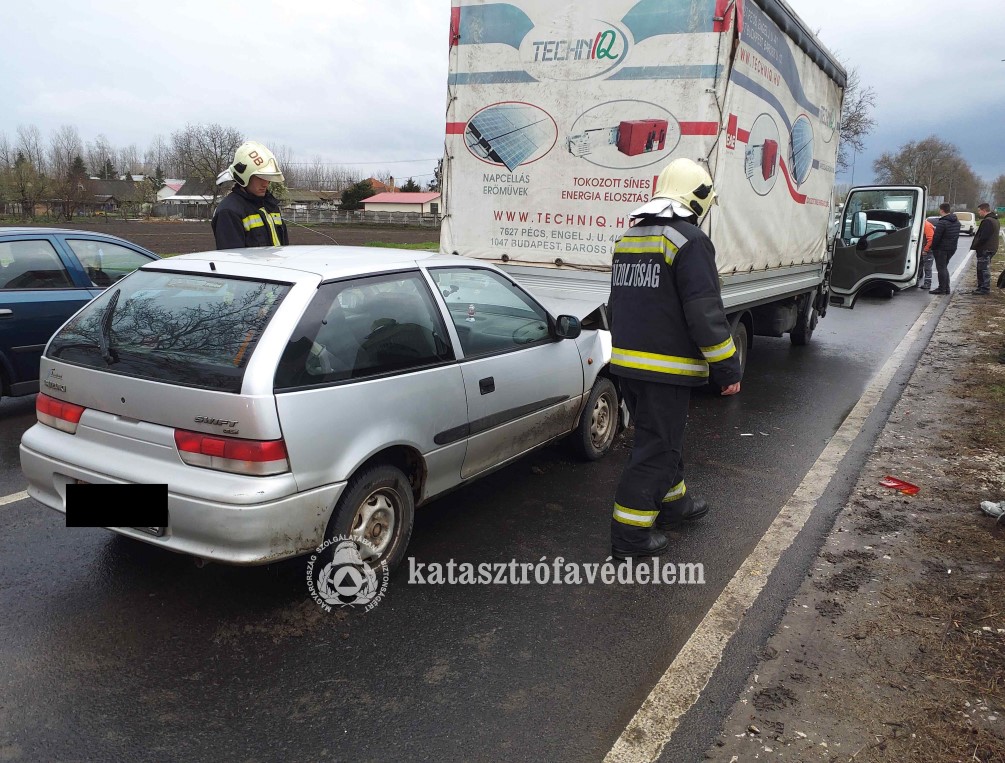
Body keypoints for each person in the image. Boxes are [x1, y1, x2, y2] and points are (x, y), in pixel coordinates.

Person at [608, 158, 742, 559]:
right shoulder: (690, 241)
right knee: (656, 450)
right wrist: (727, 368)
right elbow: (705, 311)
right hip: (666, 370)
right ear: (697, 198)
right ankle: (629, 538)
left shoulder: (630, 237)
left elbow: (617, 305)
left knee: (663, 441)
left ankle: (673, 506)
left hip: (629, 365)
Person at [211, 141, 289, 250]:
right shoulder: (229, 212)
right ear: (244, 177)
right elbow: (232, 260)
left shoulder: (270, 204)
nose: (266, 183)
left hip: (276, 267)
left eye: (267, 178)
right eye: (260, 177)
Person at [928, 202, 960, 295]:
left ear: (941, 210)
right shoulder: (956, 222)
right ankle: (946, 288)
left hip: (941, 249)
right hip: (952, 248)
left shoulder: (942, 222)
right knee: (944, 268)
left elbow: (936, 237)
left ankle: (941, 288)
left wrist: (932, 248)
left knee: (941, 268)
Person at [968, 203, 1000, 295]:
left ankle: (984, 288)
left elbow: (983, 237)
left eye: (979, 211)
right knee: (983, 268)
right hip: (991, 248)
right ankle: (982, 287)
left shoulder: (987, 221)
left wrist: (977, 245)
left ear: (984, 210)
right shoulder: (994, 220)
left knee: (983, 269)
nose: (979, 213)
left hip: (985, 248)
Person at [918, 217, 935, 289]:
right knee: (919, 266)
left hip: (927, 250)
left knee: (927, 268)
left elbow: (930, 239)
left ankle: (927, 284)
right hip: (923, 249)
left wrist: (925, 250)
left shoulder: (927, 225)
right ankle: (916, 281)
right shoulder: (923, 225)